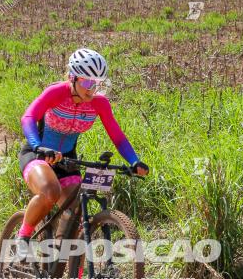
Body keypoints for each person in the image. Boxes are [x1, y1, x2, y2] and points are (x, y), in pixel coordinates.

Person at [17, 48, 149, 251]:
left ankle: (62, 259)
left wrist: (134, 161)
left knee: (77, 212)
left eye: (97, 83)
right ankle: (23, 236)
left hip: (67, 159)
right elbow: (28, 117)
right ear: (73, 77)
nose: (92, 89)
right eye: (87, 82)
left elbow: (117, 136)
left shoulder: (100, 104)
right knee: (51, 191)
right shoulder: (56, 92)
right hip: (38, 153)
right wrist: (38, 147)